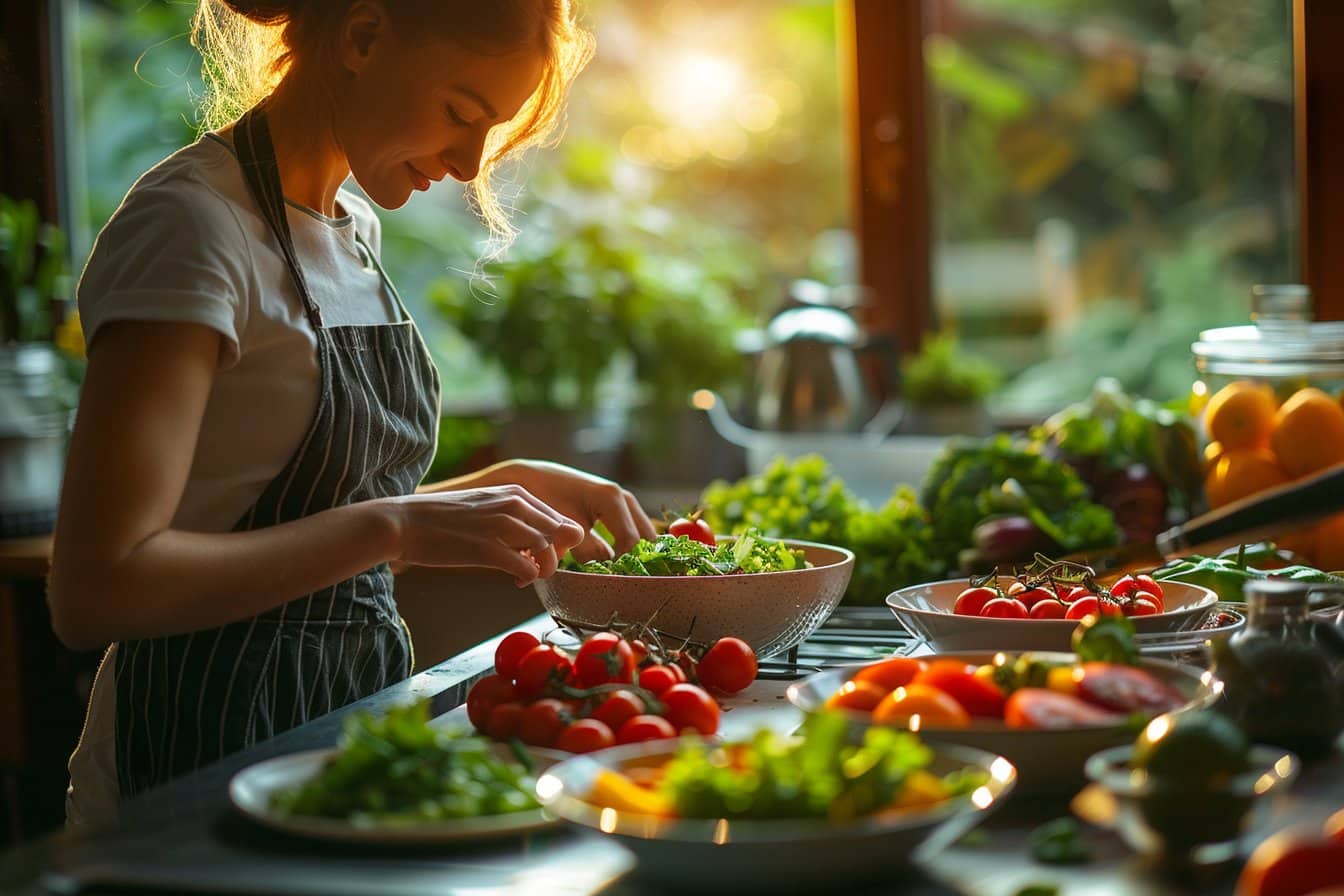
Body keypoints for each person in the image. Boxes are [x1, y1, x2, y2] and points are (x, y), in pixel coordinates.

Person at [49, 0, 655, 827]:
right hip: (194, 754)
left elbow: (313, 521)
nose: (474, 161)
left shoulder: (349, 227)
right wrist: (397, 528)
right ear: (366, 36)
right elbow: (97, 591)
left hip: (342, 732)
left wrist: (492, 492)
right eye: (461, 113)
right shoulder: (192, 227)